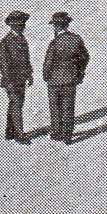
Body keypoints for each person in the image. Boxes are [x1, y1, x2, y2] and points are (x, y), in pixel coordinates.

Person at [42, 12, 89, 143]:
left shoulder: (54, 42)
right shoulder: (76, 39)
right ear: (67, 25)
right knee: (68, 106)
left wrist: (46, 75)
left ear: (56, 26)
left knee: (55, 107)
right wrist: (79, 72)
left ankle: (57, 132)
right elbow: (85, 57)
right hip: (70, 79)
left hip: (54, 80)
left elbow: (48, 62)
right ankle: (68, 135)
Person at [0, 11, 33, 142]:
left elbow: (26, 59)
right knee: (17, 105)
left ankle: (10, 132)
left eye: (23, 24)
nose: (22, 27)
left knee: (15, 104)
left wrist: (29, 74)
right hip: (12, 80)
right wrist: (8, 81)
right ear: (12, 25)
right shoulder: (6, 42)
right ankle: (20, 134)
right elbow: (4, 64)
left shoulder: (22, 39)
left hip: (21, 78)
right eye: (19, 25)